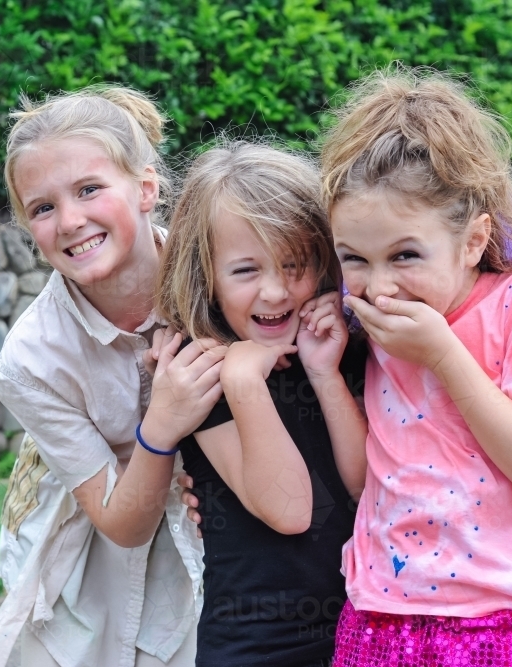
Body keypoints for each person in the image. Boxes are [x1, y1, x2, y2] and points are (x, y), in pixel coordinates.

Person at [319, 67, 512, 666]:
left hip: (506, 627)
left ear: (474, 241)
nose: (379, 287)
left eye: (405, 255)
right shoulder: (378, 322)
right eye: (354, 258)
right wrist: (325, 375)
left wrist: (445, 356)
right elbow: (365, 481)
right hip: (380, 620)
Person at [0, 86, 221, 667]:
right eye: (42, 207)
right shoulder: (30, 361)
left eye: (89, 189)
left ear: (146, 188)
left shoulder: (220, 275)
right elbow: (121, 524)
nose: (71, 221)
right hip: (98, 534)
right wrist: (163, 420)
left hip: (220, 519)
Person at [153, 141, 369, 667]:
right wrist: (244, 380)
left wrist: (324, 374)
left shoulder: (338, 344)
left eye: (293, 264)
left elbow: (366, 484)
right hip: (258, 647)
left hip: (360, 629)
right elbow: (291, 511)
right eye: (246, 271)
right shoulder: (198, 367)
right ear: (206, 277)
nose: (275, 292)